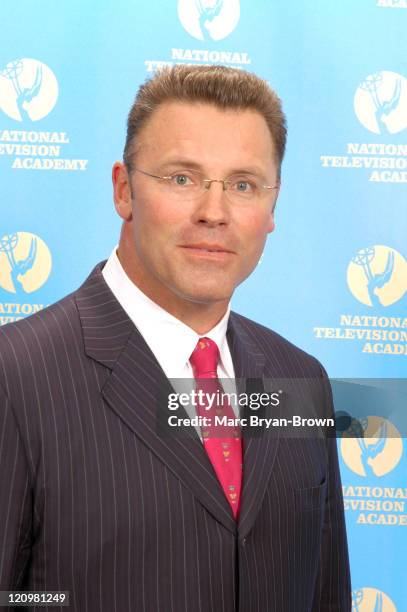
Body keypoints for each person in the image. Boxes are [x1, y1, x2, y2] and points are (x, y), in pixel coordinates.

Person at [0, 65, 351, 611]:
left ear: (272, 207)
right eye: (182, 178)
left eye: (243, 185)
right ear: (123, 190)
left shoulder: (301, 379)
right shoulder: (16, 373)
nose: (214, 213)